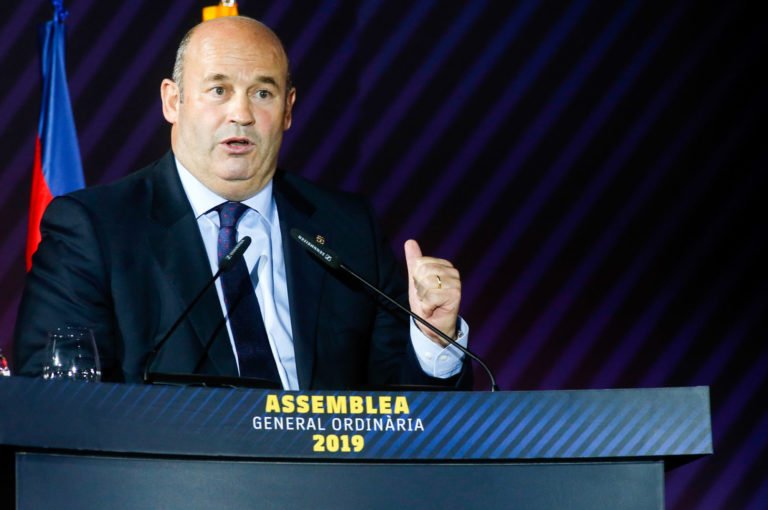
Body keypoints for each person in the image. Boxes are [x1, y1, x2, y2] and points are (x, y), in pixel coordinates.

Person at [13, 16, 472, 390]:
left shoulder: (348, 231)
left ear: (288, 110)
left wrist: (433, 340)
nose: (242, 114)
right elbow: (57, 399)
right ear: (172, 101)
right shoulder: (94, 230)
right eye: (219, 90)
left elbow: (407, 417)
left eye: (263, 93)